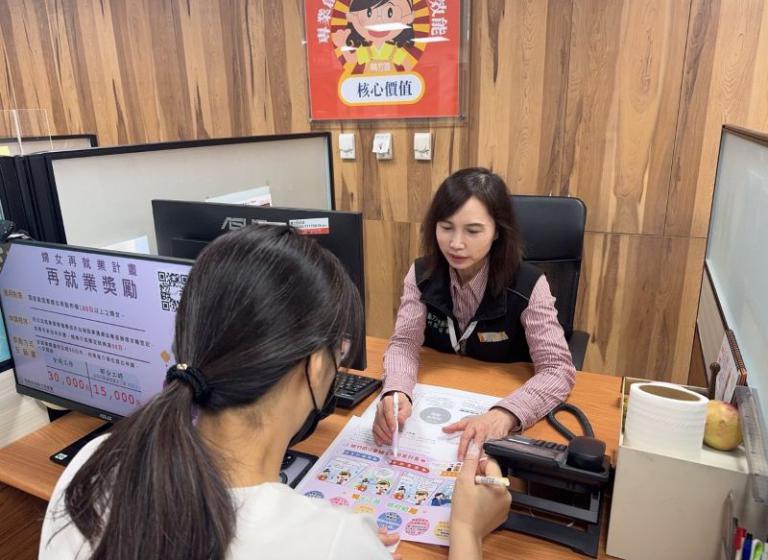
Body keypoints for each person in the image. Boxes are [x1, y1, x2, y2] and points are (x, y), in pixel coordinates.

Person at [39, 224, 510, 560]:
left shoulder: (93, 464)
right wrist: (465, 530)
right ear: (317, 366)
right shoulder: (333, 546)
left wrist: (328, 532)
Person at [373, 167, 577, 459]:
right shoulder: (421, 274)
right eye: (446, 227)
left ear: (497, 232)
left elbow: (557, 369)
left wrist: (504, 415)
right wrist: (396, 391)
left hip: (501, 399)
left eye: (473, 231)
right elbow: (404, 344)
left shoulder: (530, 285)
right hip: (439, 404)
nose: (456, 243)